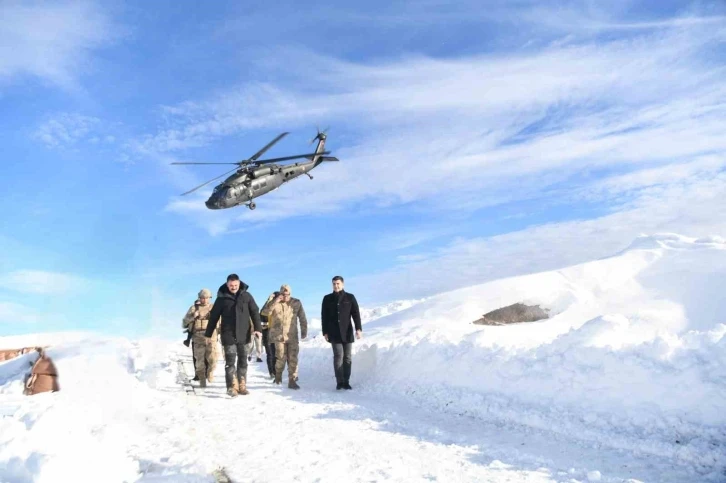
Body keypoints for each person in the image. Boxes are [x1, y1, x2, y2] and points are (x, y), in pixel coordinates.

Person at [205, 274, 262, 397]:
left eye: (235, 285)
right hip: (228, 336)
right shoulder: (221, 299)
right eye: (231, 285)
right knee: (230, 363)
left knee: (243, 362)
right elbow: (213, 317)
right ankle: (231, 387)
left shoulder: (246, 296)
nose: (233, 287)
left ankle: (242, 385)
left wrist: (258, 328)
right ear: (227, 284)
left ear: (239, 283)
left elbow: (255, 312)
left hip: (244, 335)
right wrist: (208, 334)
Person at [261, 284, 307, 389]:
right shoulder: (274, 302)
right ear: (280, 293)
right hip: (278, 336)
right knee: (281, 358)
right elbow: (264, 312)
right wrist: (274, 301)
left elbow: (302, 317)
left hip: (292, 336)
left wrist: (304, 331)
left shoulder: (296, 303)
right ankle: (278, 376)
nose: (285, 296)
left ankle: (292, 380)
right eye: (283, 294)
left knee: (293, 358)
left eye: (288, 294)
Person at [321, 276, 362, 390]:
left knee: (347, 357)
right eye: (334, 284)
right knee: (339, 356)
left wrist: (358, 329)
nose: (336, 286)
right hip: (334, 333)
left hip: (347, 332)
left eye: (338, 283)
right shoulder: (327, 299)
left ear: (343, 284)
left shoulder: (350, 297)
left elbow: (356, 314)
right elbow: (324, 317)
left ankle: (346, 381)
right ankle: (340, 382)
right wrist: (325, 332)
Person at [182, 289, 218, 388]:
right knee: (199, 361)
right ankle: (202, 379)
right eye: (202, 298)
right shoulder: (194, 308)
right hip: (197, 337)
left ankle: (210, 372)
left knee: (213, 359)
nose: (204, 300)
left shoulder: (214, 308)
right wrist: (193, 316)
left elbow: (221, 322)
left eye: (206, 298)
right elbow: (184, 323)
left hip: (211, 337)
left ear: (210, 298)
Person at [259, 291, 279, 378]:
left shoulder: (280, 308)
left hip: (277, 333)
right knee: (270, 353)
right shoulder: (267, 307)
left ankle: (276, 371)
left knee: (277, 353)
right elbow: (262, 314)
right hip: (267, 332)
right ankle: (272, 372)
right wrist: (269, 299)